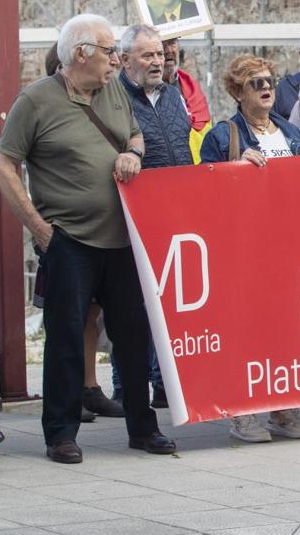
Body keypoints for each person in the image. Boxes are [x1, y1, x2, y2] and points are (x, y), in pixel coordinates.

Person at [0, 14, 176, 464]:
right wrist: (39, 229)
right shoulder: (35, 101)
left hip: (122, 240)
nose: (116, 59)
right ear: (81, 54)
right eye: (109, 50)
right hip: (68, 240)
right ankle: (60, 433)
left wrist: (133, 152)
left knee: (133, 337)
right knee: (65, 338)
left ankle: (142, 427)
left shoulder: (112, 89)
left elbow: (134, 134)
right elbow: (3, 166)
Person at [199, 56, 300, 441]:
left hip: (287, 247)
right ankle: (243, 410)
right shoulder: (222, 137)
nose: (267, 88)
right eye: (255, 83)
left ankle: (284, 407)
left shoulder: (290, 132)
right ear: (237, 92)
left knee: (286, 330)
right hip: (244, 250)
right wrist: (232, 170)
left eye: (269, 81)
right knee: (247, 332)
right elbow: (202, 193)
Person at [114, 24, 193, 407]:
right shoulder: (113, 99)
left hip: (178, 212)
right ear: (125, 60)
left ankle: (166, 384)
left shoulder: (175, 95)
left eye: (159, 54)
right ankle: (123, 383)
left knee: (171, 302)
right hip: (135, 216)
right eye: (147, 55)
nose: (157, 62)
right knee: (133, 305)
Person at [162, 36, 212, 162]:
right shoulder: (147, 92)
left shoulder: (191, 86)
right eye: (162, 44)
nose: (168, 50)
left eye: (172, 43)